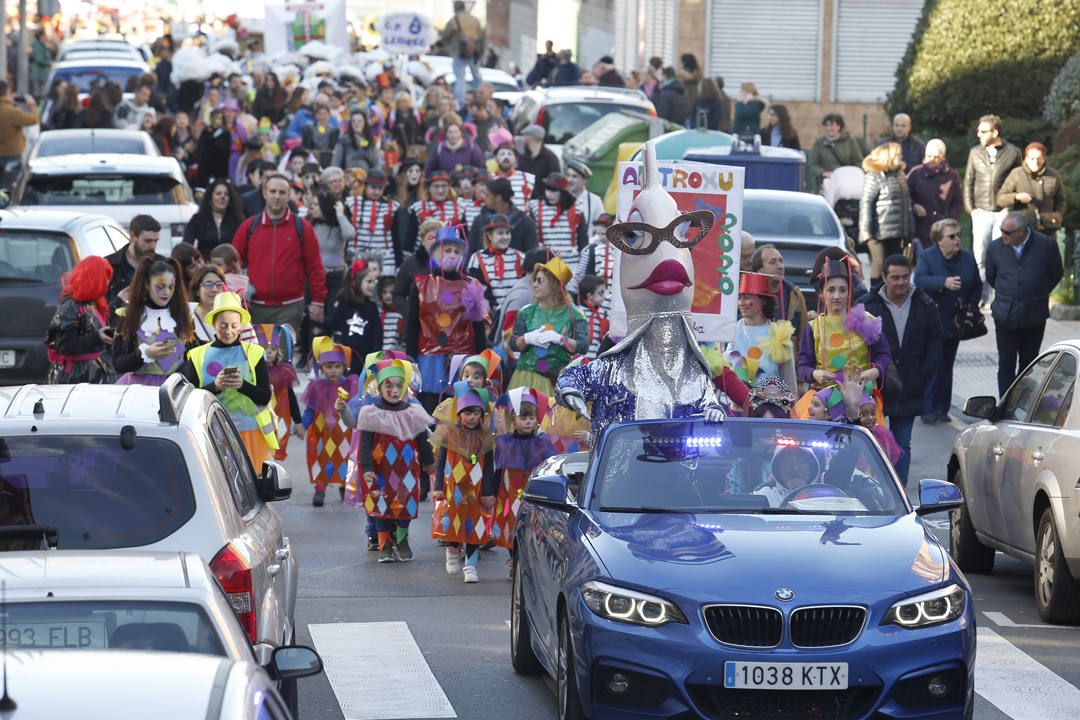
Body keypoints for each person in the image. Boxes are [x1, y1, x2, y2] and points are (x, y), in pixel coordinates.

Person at [555, 143, 726, 442]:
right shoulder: (609, 371)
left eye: (680, 232)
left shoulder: (696, 378)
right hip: (617, 484)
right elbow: (572, 377)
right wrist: (571, 390)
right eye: (635, 236)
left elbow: (711, 403)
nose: (665, 251)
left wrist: (715, 410)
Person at [858, 255, 942, 487]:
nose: (901, 282)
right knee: (872, 442)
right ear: (884, 277)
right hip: (877, 387)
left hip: (911, 386)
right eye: (895, 277)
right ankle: (874, 490)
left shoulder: (924, 304)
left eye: (905, 277)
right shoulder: (868, 305)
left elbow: (936, 341)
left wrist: (925, 372)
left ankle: (899, 491)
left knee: (902, 443)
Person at [344, 356, 436, 562]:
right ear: (379, 387)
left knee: (405, 505)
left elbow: (423, 440)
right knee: (381, 505)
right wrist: (366, 467)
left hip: (407, 470)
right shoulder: (371, 413)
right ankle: (384, 544)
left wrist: (429, 463)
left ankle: (402, 540)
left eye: (399, 386)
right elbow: (365, 445)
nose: (394, 391)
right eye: (389, 386)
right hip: (380, 470)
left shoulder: (413, 412)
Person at [179, 292, 278, 469]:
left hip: (251, 433)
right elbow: (189, 399)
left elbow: (264, 396)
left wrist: (242, 385)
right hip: (213, 432)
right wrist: (215, 386)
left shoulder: (254, 353)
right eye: (223, 325)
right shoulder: (197, 355)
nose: (228, 331)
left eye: (233, 325)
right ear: (213, 324)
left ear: (241, 325)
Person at [404, 227, 489, 411]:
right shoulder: (420, 285)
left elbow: (478, 328)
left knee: (461, 412)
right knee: (429, 412)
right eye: (447, 250)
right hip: (428, 360)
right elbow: (412, 326)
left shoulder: (471, 285)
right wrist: (411, 361)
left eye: (457, 251)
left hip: (461, 359)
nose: (452, 255)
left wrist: (482, 362)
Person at [233, 173, 328, 333]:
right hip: (254, 307)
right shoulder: (249, 227)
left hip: (290, 308)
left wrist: (318, 301)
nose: (277, 196)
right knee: (255, 357)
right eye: (273, 191)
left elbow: (315, 267)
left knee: (283, 356)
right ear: (264, 193)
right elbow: (234, 263)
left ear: (289, 195)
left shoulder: (302, 228)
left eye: (282, 192)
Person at [985, 211, 1063, 396]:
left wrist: (1036, 293)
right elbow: (991, 277)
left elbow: (1056, 273)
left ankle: (1022, 406)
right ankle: (1004, 404)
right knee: (1005, 364)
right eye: (1001, 230)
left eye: (1008, 232)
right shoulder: (995, 248)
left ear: (1022, 231)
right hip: (1005, 315)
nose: (1003, 235)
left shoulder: (1046, 245)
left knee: (1029, 366)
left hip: (1033, 316)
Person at [913, 218, 982, 424]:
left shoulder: (968, 258)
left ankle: (942, 408)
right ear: (938, 240)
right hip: (932, 320)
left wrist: (971, 305)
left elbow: (977, 285)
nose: (957, 239)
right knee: (932, 363)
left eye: (958, 235)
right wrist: (943, 282)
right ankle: (927, 408)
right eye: (951, 236)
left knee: (947, 364)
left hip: (956, 321)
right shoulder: (928, 256)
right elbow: (920, 280)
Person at [797, 253, 891, 394]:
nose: (837, 296)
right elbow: (803, 366)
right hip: (824, 400)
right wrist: (814, 374)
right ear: (822, 293)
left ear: (849, 292)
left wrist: (875, 371)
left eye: (842, 290)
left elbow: (883, 355)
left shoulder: (865, 320)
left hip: (862, 396)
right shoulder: (813, 328)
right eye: (831, 290)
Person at [430, 384, 497, 582]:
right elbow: (441, 463)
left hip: (476, 491)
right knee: (453, 522)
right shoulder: (448, 433)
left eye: (477, 413)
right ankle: (452, 550)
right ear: (459, 414)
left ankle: (471, 565)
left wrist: (488, 492)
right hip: (453, 489)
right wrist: (438, 488)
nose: (472, 417)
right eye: (468, 413)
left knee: (475, 526)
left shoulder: (486, 438)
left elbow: (488, 468)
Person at [492, 388, 557, 576]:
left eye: (531, 417)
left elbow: (551, 468)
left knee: (534, 525)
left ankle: (532, 560)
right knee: (511, 524)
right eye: (522, 417)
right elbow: (498, 470)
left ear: (537, 419)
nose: (527, 421)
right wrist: (491, 492)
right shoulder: (505, 443)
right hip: (511, 493)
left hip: (535, 494)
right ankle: (514, 559)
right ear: (513, 420)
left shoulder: (543, 443)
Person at [963, 114, 1022, 302]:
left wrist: (1010, 207)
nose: (978, 134)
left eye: (983, 131)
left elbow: (1019, 181)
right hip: (981, 212)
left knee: (1003, 256)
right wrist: (971, 210)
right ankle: (981, 297)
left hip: (1004, 212)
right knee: (980, 256)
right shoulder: (974, 152)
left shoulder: (1013, 152)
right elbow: (968, 182)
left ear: (995, 132)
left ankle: (1001, 297)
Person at [296, 337, 361, 506]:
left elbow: (355, 408)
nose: (333, 371)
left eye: (337, 367)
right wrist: (303, 425)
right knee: (321, 458)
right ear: (321, 367)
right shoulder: (316, 387)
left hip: (343, 431)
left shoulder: (350, 384)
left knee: (344, 457)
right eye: (329, 367)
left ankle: (343, 484)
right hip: (321, 432)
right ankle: (320, 488)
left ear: (344, 366)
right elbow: (310, 409)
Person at [509, 256, 587, 396]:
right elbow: (513, 344)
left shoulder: (575, 314)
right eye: (534, 280)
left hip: (557, 380)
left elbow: (583, 346)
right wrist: (527, 338)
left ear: (555, 285)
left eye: (540, 281)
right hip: (526, 378)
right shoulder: (526, 312)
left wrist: (561, 339)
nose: (534, 285)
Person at [112, 257, 196, 385]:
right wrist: (145, 354)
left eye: (171, 286)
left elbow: (194, 356)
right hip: (140, 390)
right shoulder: (130, 316)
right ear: (146, 284)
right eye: (160, 286)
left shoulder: (184, 315)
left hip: (175, 389)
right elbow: (118, 363)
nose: (166, 292)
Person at [44, 256, 115, 384]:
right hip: (74, 378)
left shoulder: (96, 305)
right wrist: (97, 338)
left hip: (93, 373)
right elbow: (65, 346)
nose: (108, 283)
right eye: (105, 278)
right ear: (95, 280)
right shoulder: (71, 307)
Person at [728, 272, 796, 390]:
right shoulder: (731, 330)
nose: (741, 303)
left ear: (763, 301)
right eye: (739, 297)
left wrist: (792, 404)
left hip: (769, 403)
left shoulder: (778, 333)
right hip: (736, 404)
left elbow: (789, 378)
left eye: (747, 297)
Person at [859, 142, 913, 284]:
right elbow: (866, 202)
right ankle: (874, 297)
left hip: (896, 231)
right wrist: (865, 229)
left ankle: (891, 296)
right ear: (888, 156)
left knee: (894, 265)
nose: (901, 157)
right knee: (879, 262)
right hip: (878, 230)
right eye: (897, 154)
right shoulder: (874, 175)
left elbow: (907, 204)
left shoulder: (900, 174)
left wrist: (909, 230)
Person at [996, 142, 1067, 235]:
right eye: (1032, 158)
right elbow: (1000, 198)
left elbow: (1061, 200)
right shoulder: (1016, 174)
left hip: (1048, 228)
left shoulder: (1053, 175)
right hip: (1022, 229)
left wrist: (1057, 216)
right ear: (1026, 159)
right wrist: (1016, 196)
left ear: (1044, 158)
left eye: (1039, 158)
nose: (1035, 162)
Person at [326, 259, 382, 375]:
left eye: (373, 282)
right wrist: (320, 320)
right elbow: (333, 324)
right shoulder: (344, 305)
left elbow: (377, 335)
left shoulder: (372, 308)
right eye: (368, 282)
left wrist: (375, 358)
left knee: (365, 389)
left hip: (367, 359)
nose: (372, 285)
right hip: (348, 358)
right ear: (357, 283)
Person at [906, 139, 963, 251]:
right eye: (928, 155)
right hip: (921, 227)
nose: (931, 159)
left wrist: (950, 221)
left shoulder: (952, 175)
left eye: (935, 157)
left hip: (943, 226)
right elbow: (906, 197)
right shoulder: (916, 173)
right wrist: (914, 206)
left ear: (942, 156)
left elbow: (958, 202)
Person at [306, 187, 355, 314]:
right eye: (312, 204)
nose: (313, 207)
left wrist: (340, 214)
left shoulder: (339, 226)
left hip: (335, 277)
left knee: (332, 314)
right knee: (314, 319)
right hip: (314, 278)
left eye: (317, 205)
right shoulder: (309, 224)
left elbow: (350, 235)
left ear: (326, 206)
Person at [466, 213, 526, 313]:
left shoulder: (519, 257)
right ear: (489, 235)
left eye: (508, 233)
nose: (506, 237)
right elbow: (479, 289)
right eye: (500, 233)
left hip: (517, 311)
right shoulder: (477, 258)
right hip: (492, 313)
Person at [529, 172, 588, 271]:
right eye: (548, 189)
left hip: (571, 264)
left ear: (562, 192)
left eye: (554, 191)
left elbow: (583, 239)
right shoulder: (535, 206)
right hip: (546, 263)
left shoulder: (576, 208)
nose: (549, 194)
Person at [751, 244, 808, 344]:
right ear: (759, 270)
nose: (780, 266)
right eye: (773, 262)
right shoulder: (748, 297)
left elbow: (803, 336)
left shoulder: (795, 294)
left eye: (781, 261)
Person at [105, 215, 165, 307]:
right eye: (148, 241)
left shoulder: (163, 265)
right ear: (133, 236)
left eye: (156, 241)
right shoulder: (109, 266)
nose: (152, 246)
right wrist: (118, 301)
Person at [468, 176, 538, 254]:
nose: (485, 199)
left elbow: (532, 254)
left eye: (488, 195)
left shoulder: (524, 222)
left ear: (498, 198)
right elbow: (470, 250)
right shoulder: (480, 220)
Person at [183, 178, 244, 257]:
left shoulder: (237, 219)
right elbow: (187, 245)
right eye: (218, 194)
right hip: (205, 266)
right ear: (210, 197)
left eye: (226, 194)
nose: (223, 197)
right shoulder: (198, 219)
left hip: (230, 266)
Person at [806, 113, 864, 194]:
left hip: (847, 182)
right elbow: (812, 164)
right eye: (826, 125)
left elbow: (858, 161)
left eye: (831, 125)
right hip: (827, 182)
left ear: (839, 126)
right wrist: (823, 173)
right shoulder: (819, 143)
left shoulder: (849, 141)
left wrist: (852, 174)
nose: (829, 128)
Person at [441, 0, 485, 107]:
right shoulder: (474, 20)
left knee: (460, 78)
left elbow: (445, 36)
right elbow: (481, 36)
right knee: (477, 76)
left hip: (459, 52)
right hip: (474, 52)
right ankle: (480, 99)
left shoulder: (454, 20)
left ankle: (461, 103)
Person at [0, 81, 38, 187]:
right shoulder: (12, 112)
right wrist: (31, 105)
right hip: (11, 154)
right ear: (7, 93)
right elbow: (34, 119)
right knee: (9, 187)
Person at [331, 108, 381, 173]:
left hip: (366, 177)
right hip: (348, 177)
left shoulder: (371, 142)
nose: (356, 123)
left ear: (365, 123)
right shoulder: (343, 141)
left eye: (359, 121)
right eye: (353, 121)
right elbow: (335, 164)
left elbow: (376, 165)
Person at [517, 125, 561, 197]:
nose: (523, 139)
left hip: (543, 203)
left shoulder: (550, 158)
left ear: (529, 137)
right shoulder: (523, 157)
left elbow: (555, 182)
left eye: (524, 136)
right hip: (525, 201)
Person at [490, 142, 534, 209]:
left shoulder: (528, 179)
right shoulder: (489, 178)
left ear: (516, 159)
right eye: (502, 154)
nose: (506, 157)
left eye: (510, 154)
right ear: (495, 158)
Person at [565, 160, 603, 228]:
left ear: (584, 180)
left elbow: (602, 227)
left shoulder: (595, 201)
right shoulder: (560, 198)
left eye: (574, 176)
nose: (569, 180)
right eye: (568, 175)